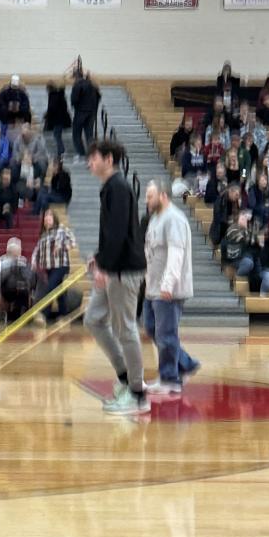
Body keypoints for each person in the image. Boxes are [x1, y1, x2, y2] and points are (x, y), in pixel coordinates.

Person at [84, 138, 148, 414]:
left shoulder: (119, 187)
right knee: (93, 319)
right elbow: (111, 233)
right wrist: (99, 257)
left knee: (126, 330)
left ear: (109, 159)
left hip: (124, 271)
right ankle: (124, 375)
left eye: (94, 158)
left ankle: (137, 394)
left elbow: (120, 234)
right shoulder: (110, 187)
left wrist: (104, 267)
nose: (89, 163)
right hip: (112, 266)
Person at [141, 180, 200, 396]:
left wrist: (168, 284)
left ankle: (170, 379)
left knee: (165, 334)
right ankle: (186, 364)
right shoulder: (155, 219)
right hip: (153, 287)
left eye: (150, 196)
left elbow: (176, 253)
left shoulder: (173, 218)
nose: (146, 200)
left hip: (168, 289)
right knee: (151, 327)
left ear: (163, 196)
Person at [30, 209, 80, 324]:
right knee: (59, 291)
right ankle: (63, 315)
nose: (47, 218)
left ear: (54, 218)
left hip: (61, 266)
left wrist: (63, 246)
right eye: (46, 216)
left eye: (50, 215)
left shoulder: (61, 229)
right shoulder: (43, 235)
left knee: (50, 287)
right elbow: (37, 250)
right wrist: (33, 261)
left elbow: (72, 241)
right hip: (49, 268)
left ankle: (43, 315)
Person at [0, 238, 35, 322]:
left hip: (21, 289)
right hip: (7, 289)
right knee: (16, 291)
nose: (17, 255)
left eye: (18, 253)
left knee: (23, 292)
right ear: (8, 252)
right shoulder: (2, 261)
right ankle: (15, 317)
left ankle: (20, 317)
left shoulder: (23, 260)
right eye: (14, 253)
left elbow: (29, 276)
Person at [70, 67, 101, 163]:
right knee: (89, 135)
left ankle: (81, 154)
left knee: (76, 134)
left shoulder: (77, 85)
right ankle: (92, 155)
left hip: (80, 112)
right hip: (91, 113)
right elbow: (98, 96)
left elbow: (74, 99)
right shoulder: (92, 85)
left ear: (75, 76)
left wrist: (75, 105)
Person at [43, 79, 72, 158]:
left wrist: (46, 115)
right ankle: (61, 151)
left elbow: (52, 108)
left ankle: (61, 151)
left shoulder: (53, 95)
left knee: (57, 135)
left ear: (49, 88)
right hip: (62, 118)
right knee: (57, 135)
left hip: (57, 119)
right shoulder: (60, 95)